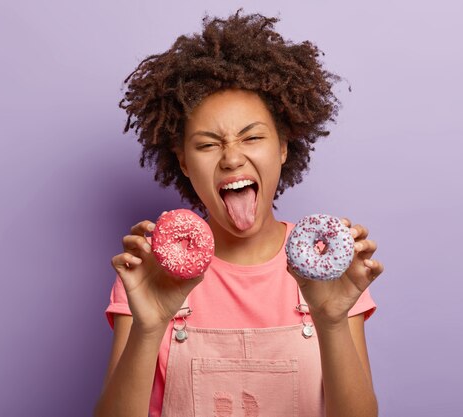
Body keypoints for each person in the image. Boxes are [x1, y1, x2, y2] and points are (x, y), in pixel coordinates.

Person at [94, 10, 384, 417]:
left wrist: (332, 321)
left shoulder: (328, 270)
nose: (232, 158)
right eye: (208, 144)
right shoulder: (151, 270)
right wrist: (148, 328)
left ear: (283, 147)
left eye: (252, 137)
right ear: (182, 161)